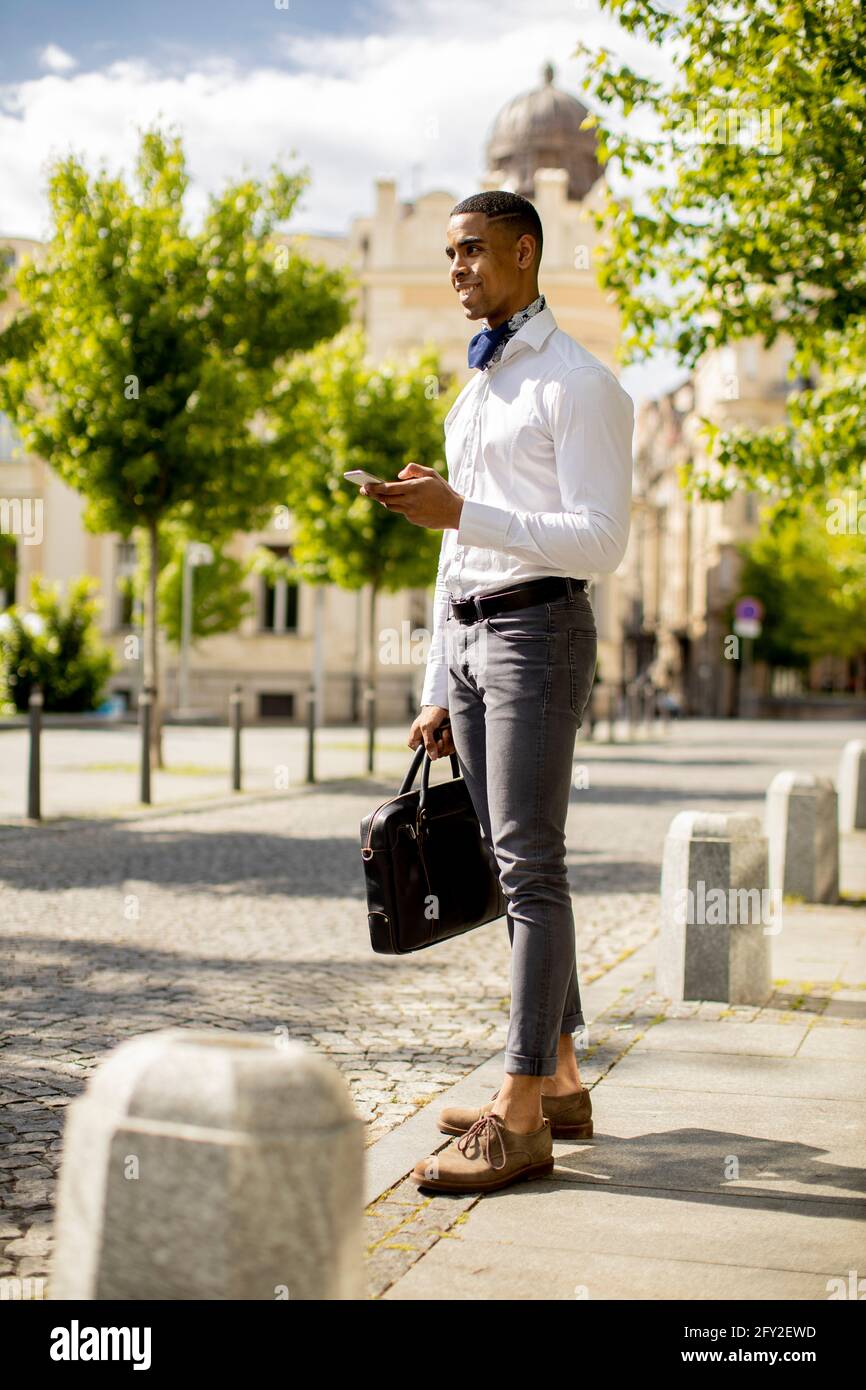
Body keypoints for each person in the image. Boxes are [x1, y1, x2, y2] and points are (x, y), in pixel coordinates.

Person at [359, 189, 634, 1193]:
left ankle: (520, 1113)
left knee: (529, 860)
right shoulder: (471, 396)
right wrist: (435, 678)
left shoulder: (579, 384)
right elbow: (452, 553)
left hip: (539, 629)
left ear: (525, 252)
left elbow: (601, 540)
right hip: (473, 642)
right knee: (498, 849)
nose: (455, 268)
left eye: (472, 250)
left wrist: (461, 506)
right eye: (447, 253)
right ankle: (557, 1075)